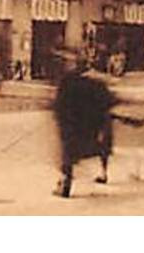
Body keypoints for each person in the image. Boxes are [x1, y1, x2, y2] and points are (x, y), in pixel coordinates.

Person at [52, 53, 117, 198]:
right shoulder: (97, 82)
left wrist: (59, 118)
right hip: (91, 123)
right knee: (101, 147)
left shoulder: (67, 81)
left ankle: (65, 184)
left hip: (71, 123)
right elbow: (108, 100)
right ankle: (103, 173)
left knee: (67, 154)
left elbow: (60, 103)